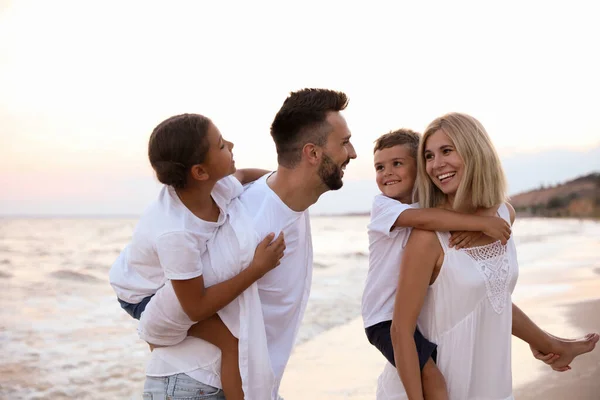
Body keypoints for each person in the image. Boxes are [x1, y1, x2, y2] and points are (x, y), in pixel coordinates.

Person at [140, 88, 357, 400]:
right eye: (345, 142)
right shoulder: (250, 229)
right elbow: (158, 318)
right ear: (313, 154)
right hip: (197, 386)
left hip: (233, 382)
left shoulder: (286, 203)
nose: (352, 153)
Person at [376, 113, 599, 399]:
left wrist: (546, 341)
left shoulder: (504, 215)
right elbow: (400, 331)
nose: (436, 164)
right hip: (437, 387)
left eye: (447, 151)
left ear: (474, 150)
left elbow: (491, 298)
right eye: (429, 156)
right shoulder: (426, 238)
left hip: (491, 381)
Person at [109, 113, 286, 400]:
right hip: (140, 294)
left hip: (153, 272)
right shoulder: (176, 232)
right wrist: (256, 269)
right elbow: (195, 307)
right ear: (200, 172)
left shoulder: (216, 187)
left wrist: (287, 181)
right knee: (231, 342)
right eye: (220, 145)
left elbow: (245, 176)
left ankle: (168, 343)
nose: (230, 143)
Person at [363, 129, 513, 399]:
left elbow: (503, 212)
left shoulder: (429, 206)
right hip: (382, 317)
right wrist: (481, 225)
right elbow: (428, 220)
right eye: (379, 167)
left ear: (419, 168)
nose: (387, 173)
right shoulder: (384, 207)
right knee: (432, 378)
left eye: (397, 164)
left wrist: (482, 229)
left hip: (414, 313)